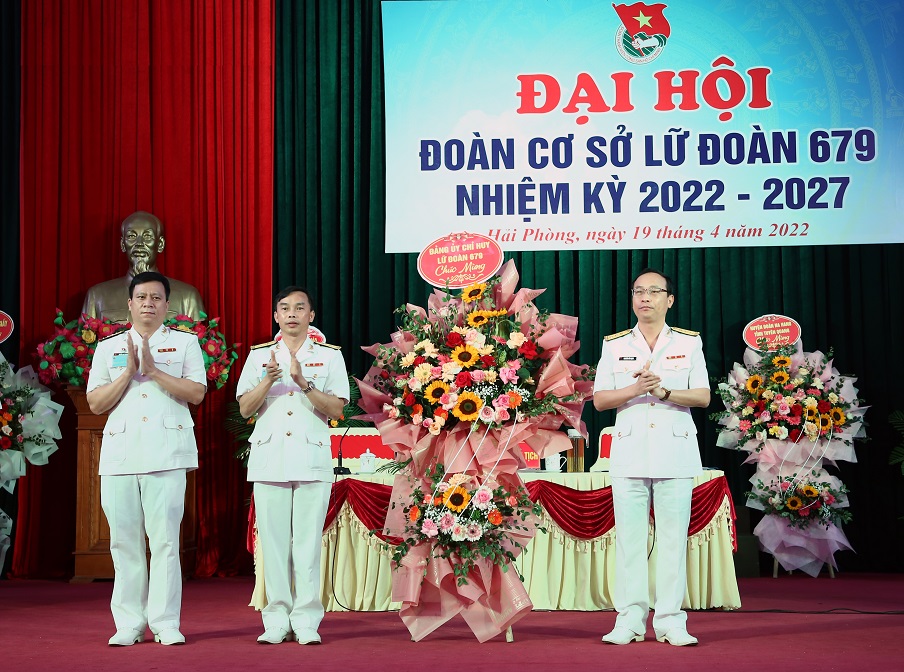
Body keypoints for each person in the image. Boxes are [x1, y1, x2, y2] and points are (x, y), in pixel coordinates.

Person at [86, 271, 207, 646]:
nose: (148, 304)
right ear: (130, 304)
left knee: (166, 541)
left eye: (156, 298)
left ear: (167, 305)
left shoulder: (185, 343)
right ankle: (129, 623)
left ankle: (166, 622)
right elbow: (96, 403)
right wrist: (127, 374)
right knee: (123, 542)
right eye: (141, 298)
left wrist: (153, 371)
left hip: (167, 453)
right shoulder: (108, 347)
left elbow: (197, 393)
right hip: (121, 454)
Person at [593, 268, 710, 647]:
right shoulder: (615, 345)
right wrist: (634, 389)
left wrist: (664, 393)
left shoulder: (689, 343)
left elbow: (703, 396)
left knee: (673, 541)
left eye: (654, 291)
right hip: (629, 452)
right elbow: (600, 400)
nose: (645, 298)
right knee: (629, 542)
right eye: (638, 291)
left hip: (675, 451)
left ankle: (671, 622)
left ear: (669, 300)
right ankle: (629, 620)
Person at [236, 286, 349, 645]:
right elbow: (245, 408)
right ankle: (276, 619)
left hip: (310, 458)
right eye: (284, 308)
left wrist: (304, 383)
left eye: (300, 308)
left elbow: (337, 409)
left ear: (311, 316)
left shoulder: (329, 356)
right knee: (273, 543)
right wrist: (268, 380)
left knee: (307, 543)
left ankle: (306, 620)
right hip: (270, 458)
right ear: (276, 316)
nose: (292, 314)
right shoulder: (259, 356)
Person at [82, 211, 206, 323]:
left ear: (160, 244)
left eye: (147, 236)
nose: (139, 244)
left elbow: (199, 338)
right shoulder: (97, 296)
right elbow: (85, 338)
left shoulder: (187, 297)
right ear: (123, 244)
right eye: (132, 236)